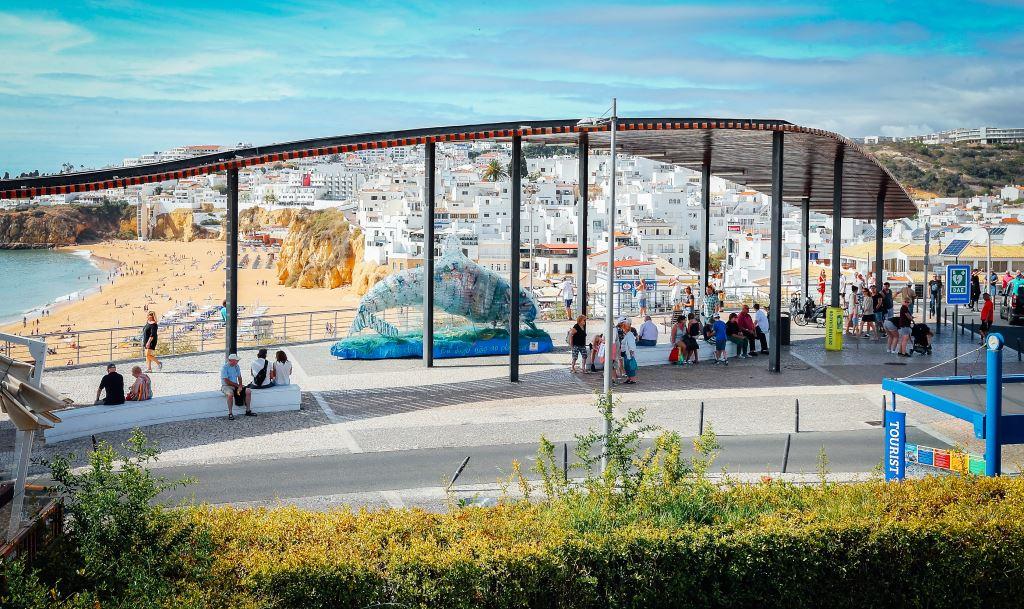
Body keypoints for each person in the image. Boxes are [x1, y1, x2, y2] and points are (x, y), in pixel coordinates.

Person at [221, 353, 253, 420]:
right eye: (236, 360)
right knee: (230, 395)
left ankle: (248, 410)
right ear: (231, 360)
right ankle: (230, 413)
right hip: (226, 386)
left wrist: (240, 385)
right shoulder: (224, 367)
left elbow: (239, 377)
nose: (237, 361)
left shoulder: (237, 366)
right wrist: (238, 385)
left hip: (235, 385)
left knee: (248, 391)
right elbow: (226, 381)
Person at [617, 318, 638, 384]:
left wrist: (631, 352)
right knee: (627, 366)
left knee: (630, 366)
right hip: (626, 353)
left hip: (629, 353)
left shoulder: (629, 335)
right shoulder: (627, 335)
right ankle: (629, 378)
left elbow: (631, 345)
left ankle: (633, 379)